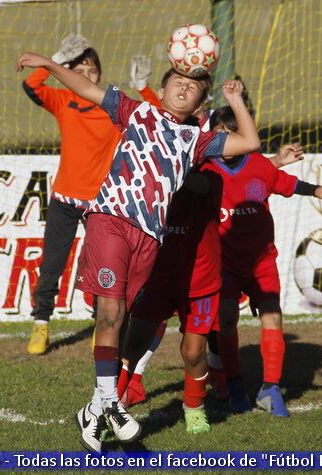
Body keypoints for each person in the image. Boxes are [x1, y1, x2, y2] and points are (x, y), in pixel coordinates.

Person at [16, 48, 261, 451]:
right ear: (161, 89)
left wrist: (234, 98)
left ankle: (95, 409)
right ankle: (111, 401)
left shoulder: (199, 141)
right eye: (178, 81)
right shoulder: (136, 111)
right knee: (110, 311)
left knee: (123, 318)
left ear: (201, 103)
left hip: (150, 237)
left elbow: (250, 141)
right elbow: (86, 87)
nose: (185, 87)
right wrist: (51, 64)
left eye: (195, 86)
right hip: (109, 219)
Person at [203, 106, 322, 417]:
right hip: (224, 263)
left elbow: (286, 183)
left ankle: (270, 387)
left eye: (231, 134)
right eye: (218, 134)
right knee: (226, 319)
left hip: (262, 261)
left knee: (273, 318)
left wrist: (318, 189)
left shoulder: (257, 166)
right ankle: (235, 383)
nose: (225, 142)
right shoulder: (205, 171)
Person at [20, 34, 119, 355]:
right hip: (64, 199)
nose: (86, 76)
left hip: (102, 203)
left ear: (100, 75)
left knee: (100, 267)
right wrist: (58, 57)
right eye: (78, 70)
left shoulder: (115, 106)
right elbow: (32, 86)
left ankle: (101, 324)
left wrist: (144, 86)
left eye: (91, 71)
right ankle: (41, 324)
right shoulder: (64, 100)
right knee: (52, 263)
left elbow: (155, 114)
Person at [117, 167, 223, 433]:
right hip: (158, 279)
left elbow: (198, 184)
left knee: (193, 351)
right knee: (132, 346)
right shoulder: (150, 179)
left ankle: (194, 408)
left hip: (200, 281)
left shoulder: (210, 176)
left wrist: (167, 165)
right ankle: (110, 409)